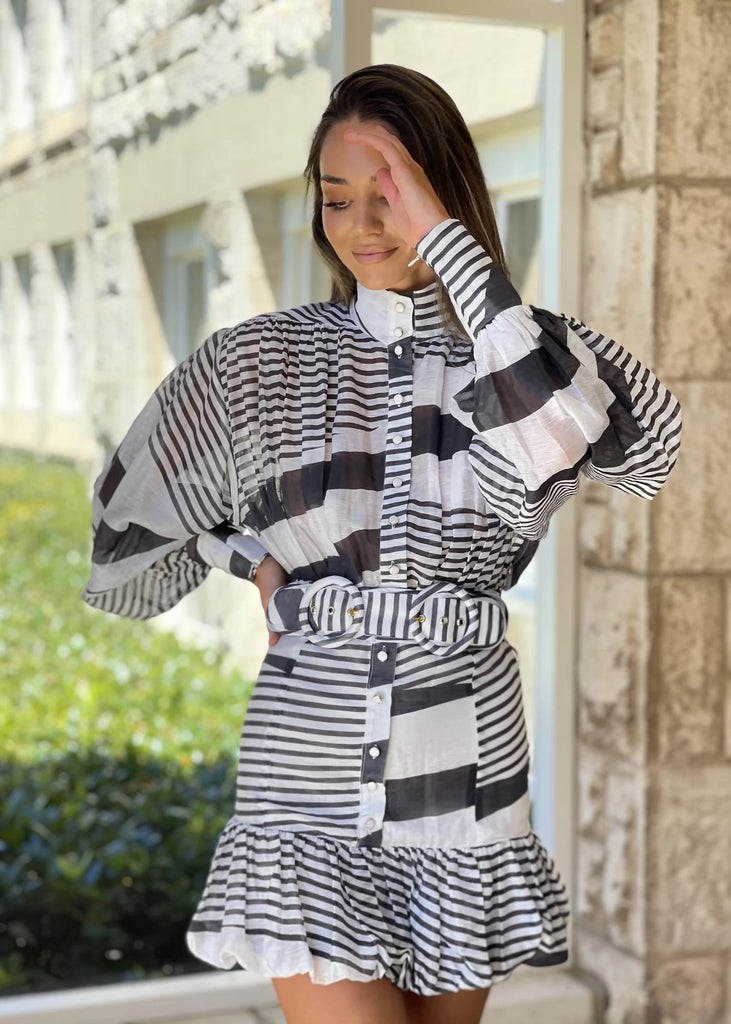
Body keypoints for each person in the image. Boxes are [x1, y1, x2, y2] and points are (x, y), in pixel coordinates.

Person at [84, 64, 681, 1024]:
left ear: (445, 197)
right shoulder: (257, 360)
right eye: (336, 198)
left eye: (391, 194)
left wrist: (452, 251)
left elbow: (606, 449)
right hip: (305, 777)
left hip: (466, 777)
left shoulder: (530, 355)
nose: (362, 224)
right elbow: (129, 516)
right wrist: (254, 562)